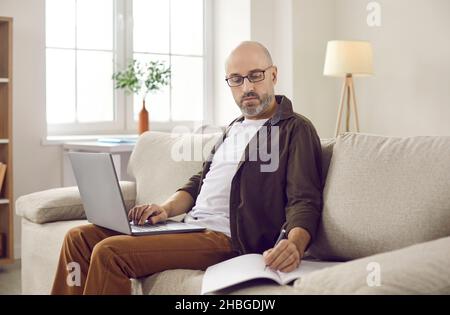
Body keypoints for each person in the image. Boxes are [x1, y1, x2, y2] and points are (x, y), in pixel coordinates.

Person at [51, 41, 323, 295]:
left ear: (273, 75)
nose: (246, 88)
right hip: (190, 228)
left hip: (228, 239)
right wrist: (166, 209)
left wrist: (295, 244)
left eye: (255, 75)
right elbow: (200, 181)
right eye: (236, 80)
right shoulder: (234, 127)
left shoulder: (295, 129)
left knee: (110, 252)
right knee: (78, 238)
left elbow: (305, 200)